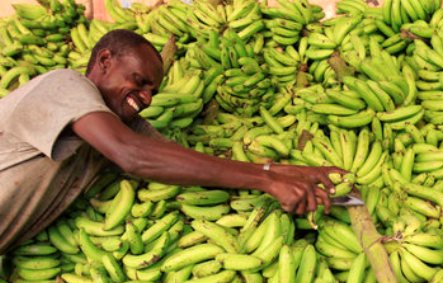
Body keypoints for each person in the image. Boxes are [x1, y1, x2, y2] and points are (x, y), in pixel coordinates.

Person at [0, 29, 341, 256]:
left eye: (153, 91)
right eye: (139, 81)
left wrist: (282, 170)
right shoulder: (65, 86)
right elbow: (133, 156)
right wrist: (266, 181)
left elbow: (178, 161)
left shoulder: (119, 123)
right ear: (105, 61)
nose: (146, 98)